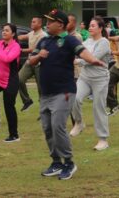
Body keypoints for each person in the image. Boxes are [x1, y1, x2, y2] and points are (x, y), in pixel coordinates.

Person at [29, 9, 106, 180]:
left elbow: (82, 52)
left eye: (50, 21)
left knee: (58, 127)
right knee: (48, 129)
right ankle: (56, 162)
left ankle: (69, 163)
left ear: (61, 25)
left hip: (64, 92)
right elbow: (31, 60)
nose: (47, 24)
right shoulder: (43, 41)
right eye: (47, 21)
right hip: (46, 93)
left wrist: (93, 60)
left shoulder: (69, 40)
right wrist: (39, 56)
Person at [70, 17, 112, 150]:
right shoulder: (86, 41)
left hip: (100, 79)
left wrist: (78, 62)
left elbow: (93, 59)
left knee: (98, 107)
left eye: (93, 25)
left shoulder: (104, 42)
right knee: (74, 98)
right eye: (90, 25)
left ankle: (103, 140)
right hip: (85, 77)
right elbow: (79, 54)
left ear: (100, 28)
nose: (90, 27)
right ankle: (79, 123)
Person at [0, 23, 22, 142]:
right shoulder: (0, 43)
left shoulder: (16, 46)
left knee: (9, 107)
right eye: (3, 30)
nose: (4, 32)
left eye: (7, 30)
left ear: (13, 34)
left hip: (10, 81)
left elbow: (7, 58)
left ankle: (14, 135)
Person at [17, 16, 46, 111]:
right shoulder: (31, 33)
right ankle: (27, 101)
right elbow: (22, 37)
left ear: (40, 24)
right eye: (31, 22)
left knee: (41, 88)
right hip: (29, 62)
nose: (31, 23)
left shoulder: (42, 35)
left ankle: (44, 110)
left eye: (34, 22)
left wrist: (20, 50)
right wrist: (12, 37)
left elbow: (34, 49)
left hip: (39, 63)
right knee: (19, 79)